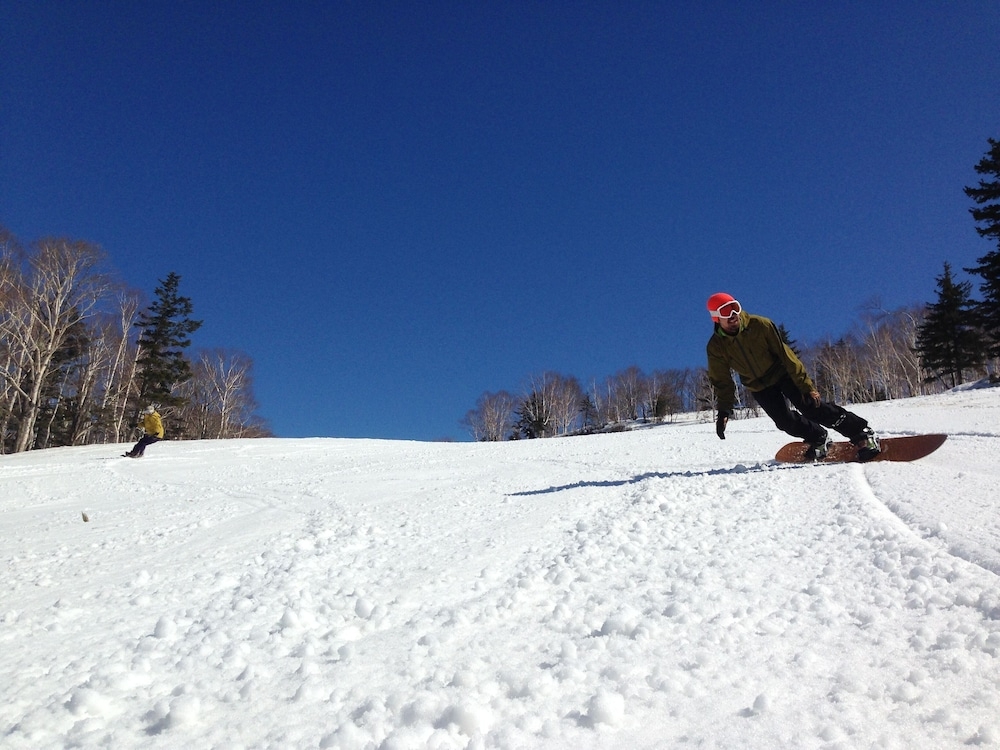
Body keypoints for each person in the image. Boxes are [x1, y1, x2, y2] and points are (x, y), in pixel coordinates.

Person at [705, 292, 881, 461]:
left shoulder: (760, 325)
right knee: (784, 422)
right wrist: (724, 411)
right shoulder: (716, 347)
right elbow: (722, 381)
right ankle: (819, 437)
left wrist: (806, 387)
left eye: (735, 307)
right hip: (759, 386)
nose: (733, 314)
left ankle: (861, 432)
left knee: (812, 408)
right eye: (725, 311)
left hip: (783, 372)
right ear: (716, 317)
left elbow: (786, 355)